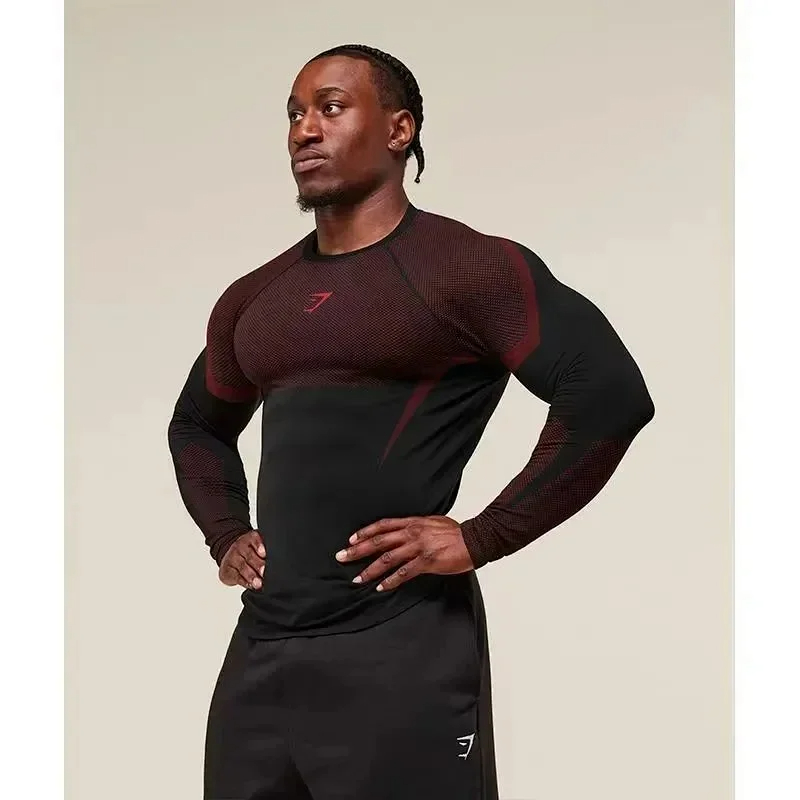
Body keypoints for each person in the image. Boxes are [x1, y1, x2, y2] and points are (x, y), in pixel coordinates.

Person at [167, 43, 655, 800]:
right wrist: (226, 531)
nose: (304, 130)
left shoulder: (464, 269)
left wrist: (483, 536)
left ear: (400, 130)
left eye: (331, 108)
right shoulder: (257, 296)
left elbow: (608, 394)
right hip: (265, 653)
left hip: (401, 649)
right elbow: (197, 426)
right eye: (294, 114)